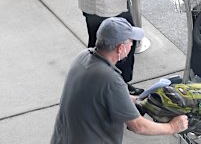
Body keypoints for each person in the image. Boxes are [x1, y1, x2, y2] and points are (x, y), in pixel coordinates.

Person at [50, 17, 188, 144]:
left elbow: (100, 95)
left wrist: (138, 99)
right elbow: (138, 126)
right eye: (131, 42)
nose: (132, 45)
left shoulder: (83, 57)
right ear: (121, 48)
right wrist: (172, 127)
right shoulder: (110, 80)